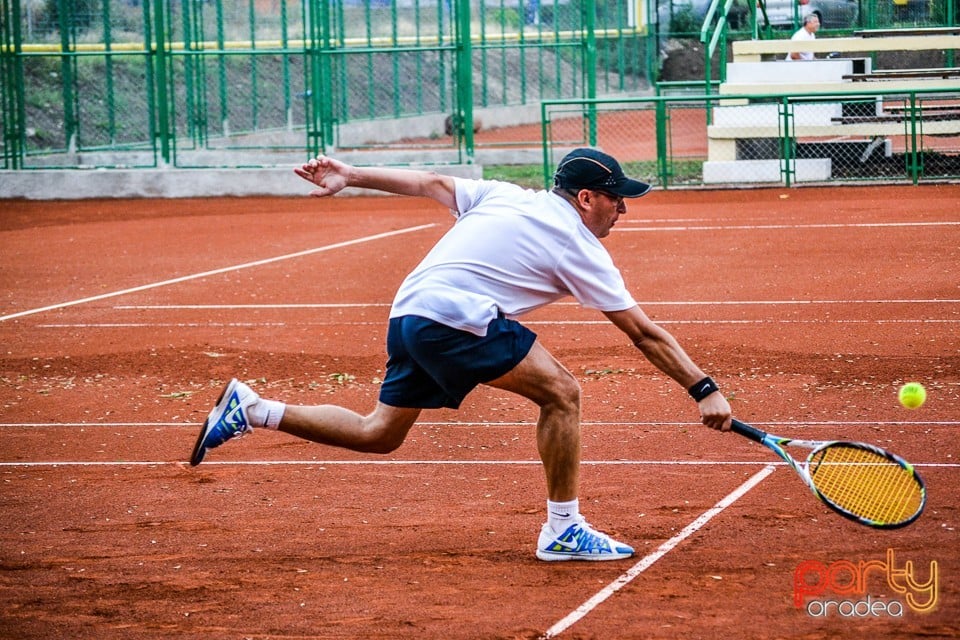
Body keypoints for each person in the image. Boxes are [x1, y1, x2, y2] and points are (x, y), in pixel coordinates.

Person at [190, 148, 733, 561]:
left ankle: (253, 409)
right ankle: (563, 529)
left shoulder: (506, 194)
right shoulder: (577, 243)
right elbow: (643, 332)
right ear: (587, 198)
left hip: (408, 312)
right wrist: (703, 389)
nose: (623, 211)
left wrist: (352, 176)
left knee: (379, 433)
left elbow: (428, 182)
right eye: (618, 199)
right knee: (563, 394)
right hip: (452, 316)